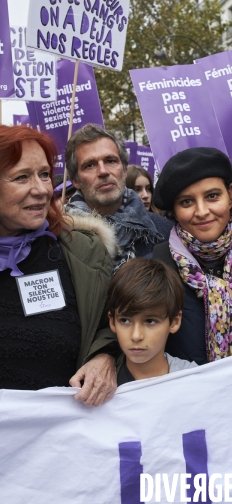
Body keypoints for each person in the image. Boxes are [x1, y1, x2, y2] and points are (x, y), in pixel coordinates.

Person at [0, 124, 119, 405]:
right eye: (22, 177)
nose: (41, 189)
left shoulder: (83, 253)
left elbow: (114, 325)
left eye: (44, 174)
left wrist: (105, 357)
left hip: (64, 441)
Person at [151, 147, 232, 367]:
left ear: (230, 194)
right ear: (174, 211)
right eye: (187, 202)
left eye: (212, 196)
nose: (202, 211)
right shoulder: (154, 269)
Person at [65, 124, 172, 266]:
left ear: (125, 170)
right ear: (76, 181)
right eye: (90, 165)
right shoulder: (60, 238)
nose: (103, 171)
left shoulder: (163, 231)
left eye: (110, 161)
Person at [108, 258, 197, 385]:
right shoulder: (97, 389)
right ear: (112, 322)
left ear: (174, 322)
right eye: (125, 320)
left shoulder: (195, 382)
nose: (136, 336)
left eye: (150, 321)